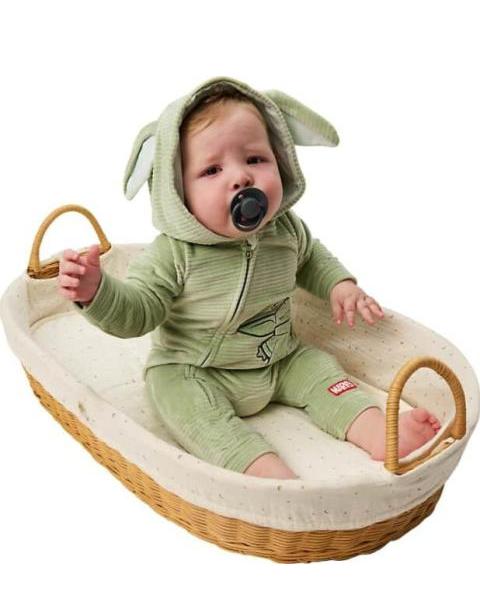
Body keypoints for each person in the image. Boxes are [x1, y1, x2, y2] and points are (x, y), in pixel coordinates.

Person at [58, 77, 441, 479]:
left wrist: (339, 285)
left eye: (255, 159)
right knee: (190, 409)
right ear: (178, 192)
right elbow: (139, 311)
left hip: (280, 358)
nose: (240, 178)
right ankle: (260, 469)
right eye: (212, 169)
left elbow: (310, 257)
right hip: (195, 371)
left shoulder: (285, 229)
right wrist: (96, 292)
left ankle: (378, 431)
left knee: (321, 369)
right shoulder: (171, 254)